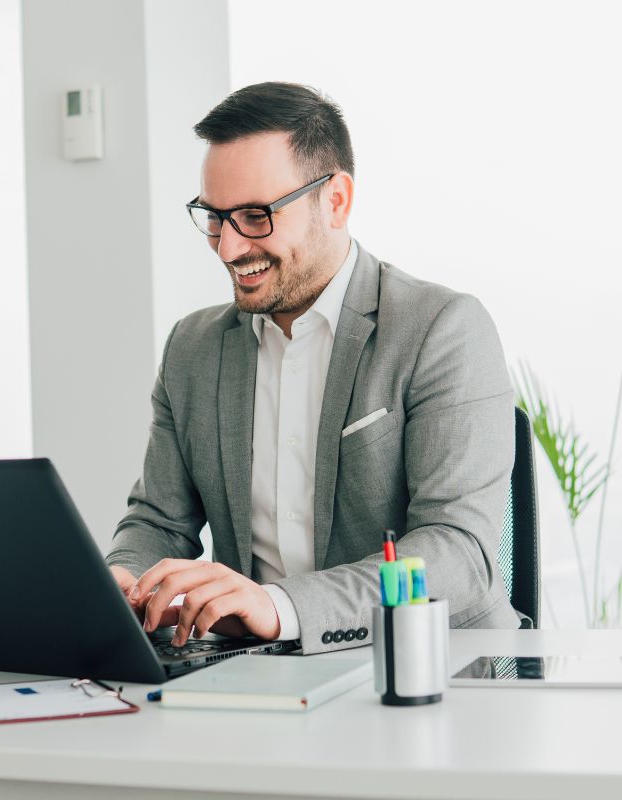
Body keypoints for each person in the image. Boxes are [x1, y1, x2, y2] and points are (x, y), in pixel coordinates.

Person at [106, 82, 521, 654]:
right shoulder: (193, 348)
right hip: (256, 677)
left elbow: (458, 554)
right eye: (214, 216)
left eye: (255, 216)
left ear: (336, 201)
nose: (227, 248)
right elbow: (158, 520)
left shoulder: (442, 328)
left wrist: (277, 606)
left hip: (422, 673)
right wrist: (123, 577)